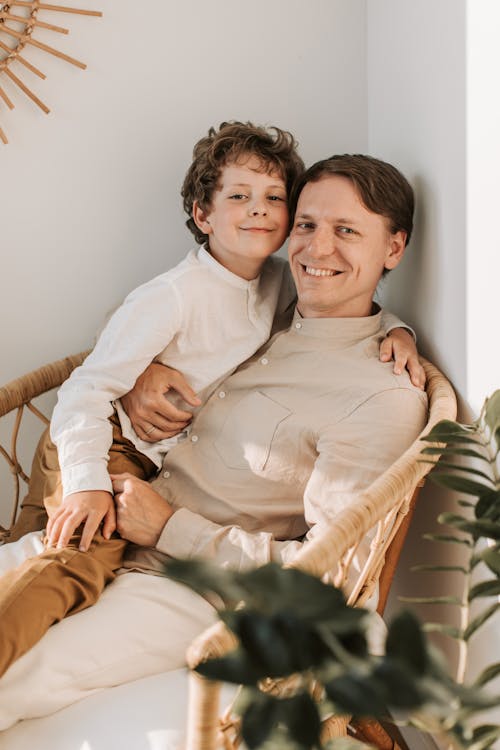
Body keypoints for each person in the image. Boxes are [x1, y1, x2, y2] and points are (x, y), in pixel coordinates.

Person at [0, 153, 428, 728]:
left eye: (346, 231)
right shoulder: (271, 302)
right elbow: (150, 321)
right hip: (106, 521)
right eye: (305, 225)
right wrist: (141, 375)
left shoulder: (379, 396)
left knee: (14, 678)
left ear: (394, 249)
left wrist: (170, 528)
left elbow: (330, 578)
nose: (316, 249)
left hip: (179, 587)